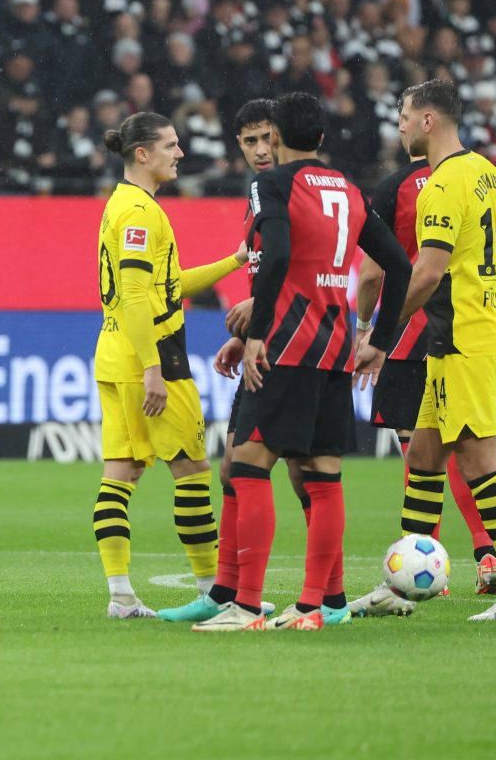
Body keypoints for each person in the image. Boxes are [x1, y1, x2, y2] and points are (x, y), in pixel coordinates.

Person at [193, 92, 412, 632]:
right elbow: (399, 267)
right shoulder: (350, 190)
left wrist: (260, 333)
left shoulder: (273, 185)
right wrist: (381, 341)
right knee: (323, 475)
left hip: (288, 347)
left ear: (280, 137)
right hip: (336, 351)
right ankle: (317, 606)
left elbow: (282, 256)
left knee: (245, 465)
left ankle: (245, 607)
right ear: (320, 137)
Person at [353, 79, 496, 621]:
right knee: (423, 456)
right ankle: (400, 587)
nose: (400, 125)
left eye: (404, 116)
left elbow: (428, 273)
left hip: (461, 339)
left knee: (480, 463)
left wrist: (380, 338)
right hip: (468, 335)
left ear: (429, 121)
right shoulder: (489, 174)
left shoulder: (441, 185)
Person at [159, 98, 319, 623]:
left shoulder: (290, 187)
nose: (258, 150)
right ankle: (226, 593)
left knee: (300, 474)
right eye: (248, 141)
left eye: (265, 138)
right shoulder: (258, 196)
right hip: (269, 344)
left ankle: (308, 599)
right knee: (237, 468)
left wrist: (261, 310)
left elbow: (313, 262)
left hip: (296, 347)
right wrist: (251, 327)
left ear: (283, 136)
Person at [91, 111, 248, 619]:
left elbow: (167, 283)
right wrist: (155, 369)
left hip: (114, 356)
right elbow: (138, 296)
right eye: (171, 145)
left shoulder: (125, 205)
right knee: (193, 472)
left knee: (121, 472)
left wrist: (233, 261)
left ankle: (120, 595)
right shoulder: (140, 213)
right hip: (152, 358)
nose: (180, 153)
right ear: (143, 153)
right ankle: (211, 591)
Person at [348, 143, 496, 619]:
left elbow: (374, 271)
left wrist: (366, 328)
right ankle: (486, 552)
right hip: (463, 325)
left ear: (417, 126)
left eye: (403, 117)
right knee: (459, 450)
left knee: (418, 455)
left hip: (408, 330)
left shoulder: (396, 187)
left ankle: (424, 566)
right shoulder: (476, 178)